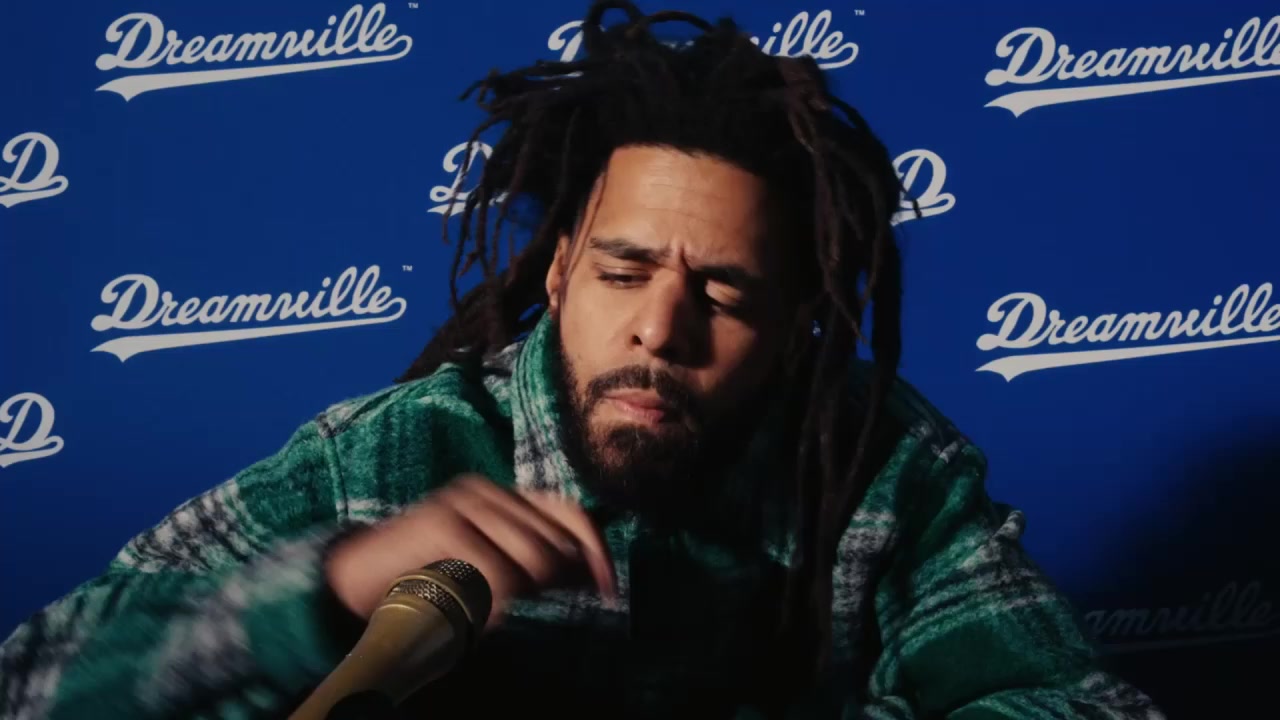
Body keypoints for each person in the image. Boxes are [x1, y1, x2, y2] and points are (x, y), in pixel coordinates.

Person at [0, 3, 1164, 718]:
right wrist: (329, 590)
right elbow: (33, 682)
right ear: (558, 273)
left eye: (724, 295)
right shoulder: (384, 462)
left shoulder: (882, 466)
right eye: (622, 272)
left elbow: (1072, 704)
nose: (660, 329)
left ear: (796, 323)